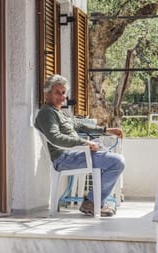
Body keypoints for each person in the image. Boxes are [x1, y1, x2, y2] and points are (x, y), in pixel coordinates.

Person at [34, 75, 125, 217]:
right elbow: (55, 138)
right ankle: (92, 202)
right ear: (47, 94)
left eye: (64, 93)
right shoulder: (46, 113)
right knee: (117, 162)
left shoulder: (60, 113)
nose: (62, 96)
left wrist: (106, 130)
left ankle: (95, 201)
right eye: (58, 92)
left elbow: (80, 124)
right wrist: (84, 143)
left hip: (74, 154)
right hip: (64, 158)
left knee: (110, 158)